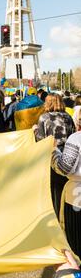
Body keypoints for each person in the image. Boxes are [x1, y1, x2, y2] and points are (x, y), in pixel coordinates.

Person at [34, 93, 75, 218]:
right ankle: (67, 216)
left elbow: (40, 140)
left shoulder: (43, 118)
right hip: (67, 155)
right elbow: (72, 135)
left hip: (50, 156)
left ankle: (56, 216)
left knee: (53, 189)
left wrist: (35, 129)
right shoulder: (68, 117)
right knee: (65, 186)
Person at [51, 111, 81, 259]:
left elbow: (64, 168)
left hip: (77, 196)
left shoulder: (76, 138)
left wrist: (54, 151)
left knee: (76, 241)